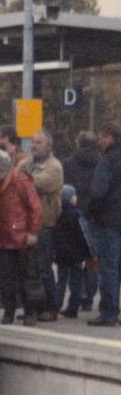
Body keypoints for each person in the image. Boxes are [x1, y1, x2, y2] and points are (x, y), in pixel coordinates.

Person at [0, 149, 44, 326]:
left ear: (6, 169)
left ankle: (30, 312)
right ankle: (9, 311)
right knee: (6, 280)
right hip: (3, 238)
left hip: (22, 238)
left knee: (27, 278)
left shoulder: (21, 182)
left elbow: (35, 208)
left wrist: (33, 232)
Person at [19, 128, 63, 320]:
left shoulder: (54, 167)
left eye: (38, 142)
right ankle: (33, 307)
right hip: (24, 224)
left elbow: (34, 185)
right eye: (33, 142)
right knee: (28, 269)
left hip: (45, 225)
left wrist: (21, 180)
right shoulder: (26, 163)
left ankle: (51, 308)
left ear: (49, 146)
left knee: (44, 268)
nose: (34, 146)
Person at [85, 121, 121, 327]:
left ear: (109, 138)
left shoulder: (107, 160)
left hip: (108, 222)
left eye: (101, 137)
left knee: (108, 268)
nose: (99, 141)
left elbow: (98, 192)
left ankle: (108, 313)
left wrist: (91, 212)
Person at [62, 130, 100, 311]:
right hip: (95, 216)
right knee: (93, 257)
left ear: (78, 144)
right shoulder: (102, 163)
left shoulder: (68, 164)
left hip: (73, 216)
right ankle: (88, 296)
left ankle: (75, 296)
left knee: (74, 259)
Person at [53, 185, 93, 318]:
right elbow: (84, 234)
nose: (76, 197)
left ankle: (55, 306)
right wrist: (89, 252)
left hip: (61, 254)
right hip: (76, 255)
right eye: (74, 195)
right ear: (70, 198)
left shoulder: (58, 214)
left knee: (61, 280)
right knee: (76, 282)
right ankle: (73, 308)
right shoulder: (76, 214)